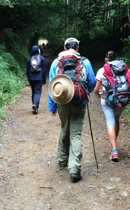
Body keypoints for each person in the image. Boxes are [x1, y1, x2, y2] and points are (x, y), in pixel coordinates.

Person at [48, 38, 96, 183]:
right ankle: (74, 168)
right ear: (78, 47)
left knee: (64, 128)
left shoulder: (56, 62)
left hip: (62, 101)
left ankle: (62, 160)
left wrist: (52, 106)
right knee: (75, 134)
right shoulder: (84, 62)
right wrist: (85, 91)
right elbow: (92, 82)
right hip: (79, 100)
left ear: (64, 47)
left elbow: (52, 85)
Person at [93, 51, 130, 161]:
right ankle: (113, 143)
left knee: (110, 123)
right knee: (116, 120)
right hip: (122, 99)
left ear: (106, 59)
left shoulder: (102, 70)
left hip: (107, 100)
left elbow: (95, 89)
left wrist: (98, 95)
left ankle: (114, 151)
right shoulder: (123, 69)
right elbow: (129, 88)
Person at [26, 45, 46, 114]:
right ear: (38, 50)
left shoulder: (29, 59)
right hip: (39, 78)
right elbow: (44, 70)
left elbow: (27, 71)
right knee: (37, 92)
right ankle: (35, 105)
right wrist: (44, 80)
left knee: (33, 92)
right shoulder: (42, 58)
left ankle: (35, 106)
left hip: (31, 78)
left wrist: (29, 79)